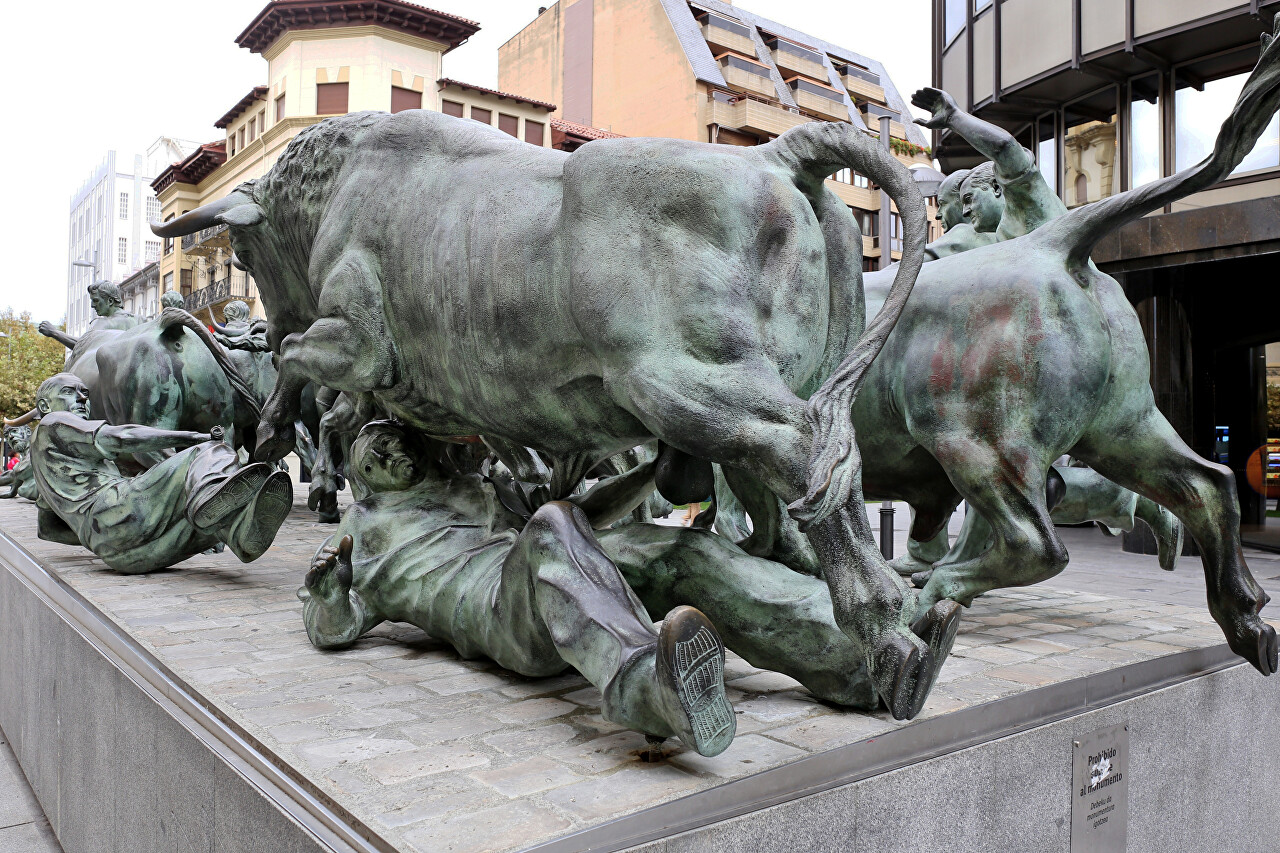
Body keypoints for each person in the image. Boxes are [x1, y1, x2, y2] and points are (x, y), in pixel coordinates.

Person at [301, 423, 957, 753]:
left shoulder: (475, 486)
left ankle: (860, 664)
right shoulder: (366, 532)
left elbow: (582, 506)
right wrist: (330, 595)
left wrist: (653, 472)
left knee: (679, 549)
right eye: (372, 456)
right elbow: (338, 622)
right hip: (500, 615)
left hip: (544, 567)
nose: (388, 453)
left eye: (392, 443)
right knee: (555, 527)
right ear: (362, 477)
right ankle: (650, 688)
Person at [28, 372, 292, 573]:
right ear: (44, 407)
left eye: (84, 392)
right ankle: (218, 502)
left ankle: (237, 530)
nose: (83, 398)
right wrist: (193, 438)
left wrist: (95, 534)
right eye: (69, 392)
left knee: (203, 517)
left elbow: (47, 529)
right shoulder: (53, 421)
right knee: (209, 451)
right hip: (115, 510)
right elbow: (121, 437)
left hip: (117, 552)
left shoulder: (44, 462)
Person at [38, 281, 141, 350]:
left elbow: (82, 347)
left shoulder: (102, 324)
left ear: (110, 301)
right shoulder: (141, 320)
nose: (92, 305)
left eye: (96, 301)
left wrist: (54, 332)